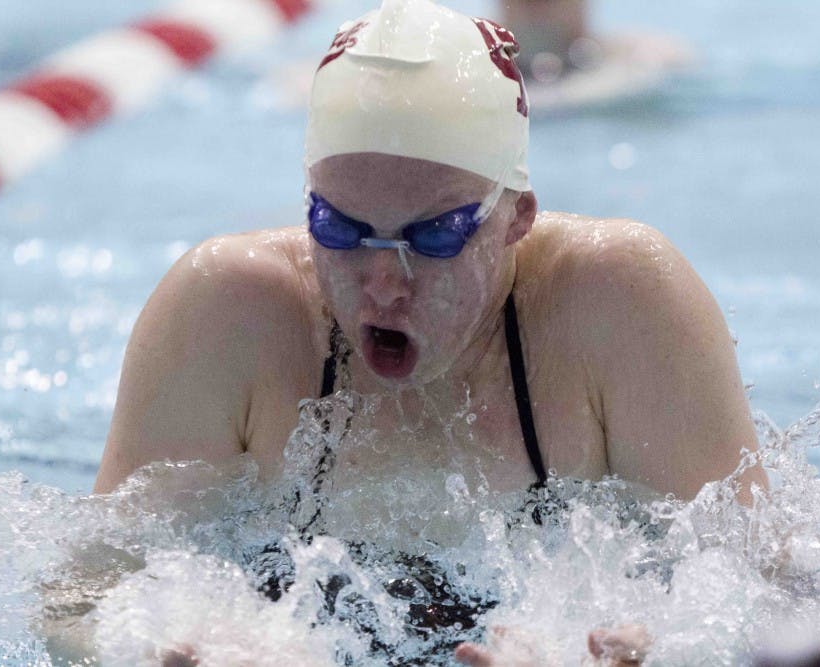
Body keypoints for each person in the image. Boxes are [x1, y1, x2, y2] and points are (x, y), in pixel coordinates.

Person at [93, 0, 767, 661]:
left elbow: (780, 600)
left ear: (516, 217)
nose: (385, 281)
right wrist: (164, 644)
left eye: (435, 235)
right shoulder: (226, 312)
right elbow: (78, 601)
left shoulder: (620, 305)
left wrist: (659, 648)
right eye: (340, 228)